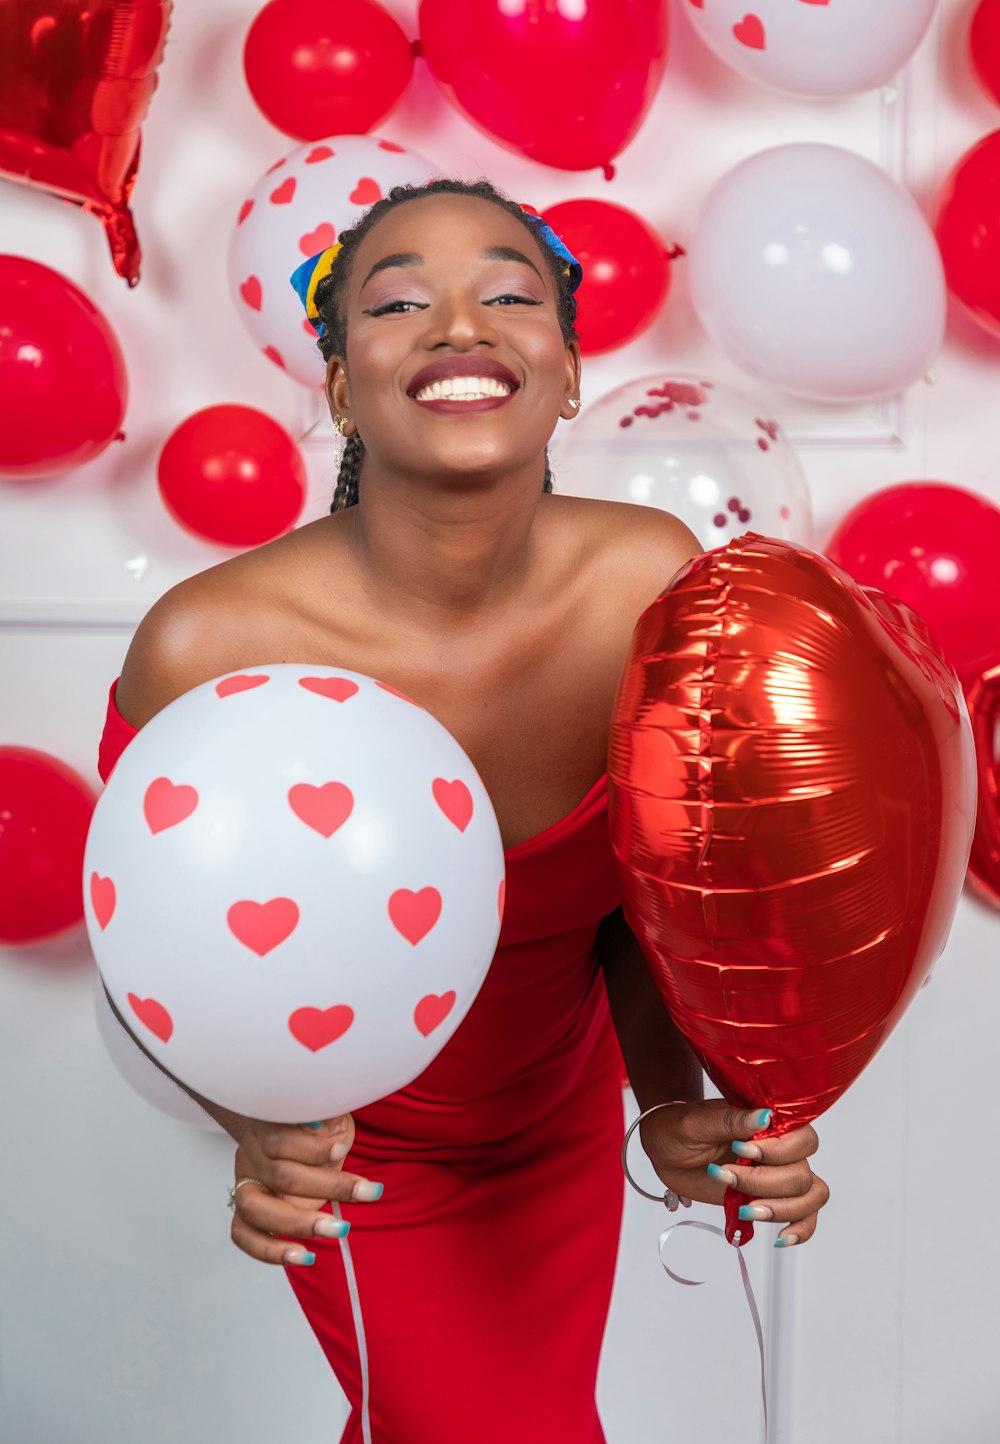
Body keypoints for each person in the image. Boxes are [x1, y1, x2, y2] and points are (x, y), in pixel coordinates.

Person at [98, 177, 828, 1443]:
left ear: (568, 368)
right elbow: (146, 952)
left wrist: (669, 1107)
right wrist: (261, 1134)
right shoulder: (212, 643)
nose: (457, 324)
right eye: (397, 301)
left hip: (557, 1116)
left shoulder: (651, 585)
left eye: (507, 293)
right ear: (338, 384)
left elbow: (638, 906)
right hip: (362, 1151)